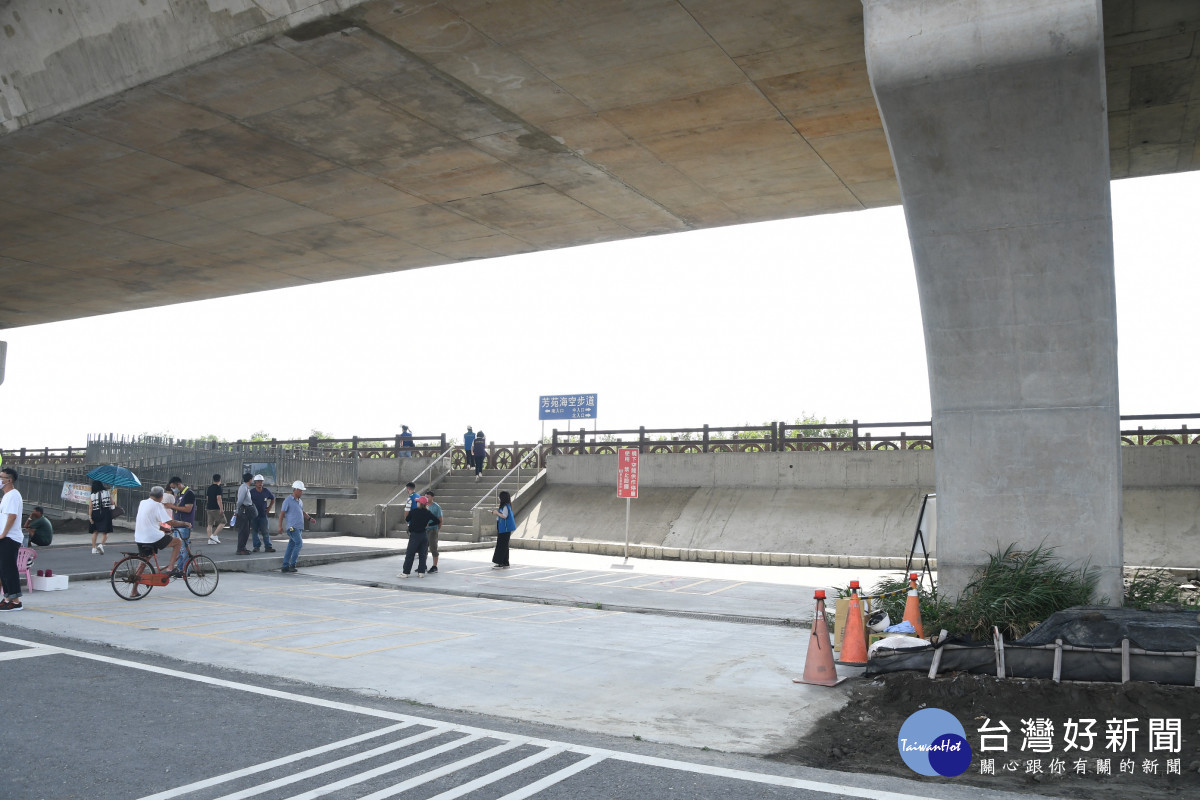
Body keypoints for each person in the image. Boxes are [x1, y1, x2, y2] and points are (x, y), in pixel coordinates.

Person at [134, 486, 190, 576]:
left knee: (144, 561)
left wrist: (164, 529)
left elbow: (149, 522)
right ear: (161, 497)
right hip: (152, 538)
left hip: (139, 537)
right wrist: (184, 523)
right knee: (178, 542)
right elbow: (171, 522)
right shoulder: (158, 505)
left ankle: (134, 588)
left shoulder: (142, 503)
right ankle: (170, 568)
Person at [0, 467, 25, 611]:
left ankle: (16, 602)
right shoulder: (7, 496)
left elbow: (12, 516)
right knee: (3, 569)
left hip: (10, 537)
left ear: (9, 480)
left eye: (1, 477)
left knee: (9, 569)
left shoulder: (13, 495)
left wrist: (3, 534)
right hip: (4, 537)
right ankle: (7, 598)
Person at [278, 480, 315, 573]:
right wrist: (279, 526)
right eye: (300, 490)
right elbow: (282, 514)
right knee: (299, 543)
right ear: (295, 490)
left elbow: (302, 512)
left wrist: (309, 518)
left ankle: (285, 566)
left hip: (299, 528)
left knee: (291, 545)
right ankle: (292, 565)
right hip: (292, 527)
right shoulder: (288, 500)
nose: (302, 492)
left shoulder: (300, 501)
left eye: (302, 491)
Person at [398, 495, 438, 578]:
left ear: (420, 503)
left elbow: (407, 519)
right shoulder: (428, 512)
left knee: (410, 554)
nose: (417, 503)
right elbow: (437, 521)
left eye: (417, 502)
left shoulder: (414, 511)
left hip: (415, 535)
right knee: (422, 554)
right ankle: (421, 572)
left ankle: (405, 572)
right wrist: (428, 524)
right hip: (424, 535)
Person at [164, 477, 196, 573]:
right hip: (177, 524)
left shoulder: (189, 493)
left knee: (184, 549)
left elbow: (188, 509)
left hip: (184, 525)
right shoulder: (179, 494)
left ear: (178, 484)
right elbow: (178, 508)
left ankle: (186, 571)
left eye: (173, 487)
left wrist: (172, 506)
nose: (173, 489)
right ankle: (180, 569)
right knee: (178, 548)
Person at [489, 490, 516, 569]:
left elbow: (504, 516)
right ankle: (505, 562)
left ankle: (500, 562)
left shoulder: (505, 507)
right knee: (504, 545)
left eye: (500, 497)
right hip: (503, 528)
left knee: (501, 545)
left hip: (505, 529)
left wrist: (496, 513)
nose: (499, 498)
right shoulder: (506, 506)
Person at [249, 474, 275, 552]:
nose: (260, 483)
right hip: (254, 515)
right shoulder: (251, 492)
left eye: (261, 481)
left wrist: (269, 508)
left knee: (265, 531)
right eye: (258, 481)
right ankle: (256, 546)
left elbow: (273, 498)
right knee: (254, 531)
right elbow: (247, 501)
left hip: (263, 515)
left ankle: (268, 546)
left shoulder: (266, 491)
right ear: (255, 483)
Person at [235, 472, 258, 555]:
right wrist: (236, 511)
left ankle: (243, 547)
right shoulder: (243, 488)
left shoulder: (246, 487)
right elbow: (240, 501)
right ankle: (240, 548)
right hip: (243, 511)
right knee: (243, 530)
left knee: (246, 530)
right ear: (250, 479)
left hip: (246, 511)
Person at [88, 479, 114, 554]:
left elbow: (90, 507)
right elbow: (112, 503)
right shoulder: (107, 493)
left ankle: (93, 548)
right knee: (105, 532)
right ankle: (101, 545)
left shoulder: (92, 495)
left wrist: (90, 517)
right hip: (106, 513)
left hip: (95, 513)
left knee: (95, 531)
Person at [423, 490, 442, 574]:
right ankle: (423, 565)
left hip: (433, 529)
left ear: (432, 497)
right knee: (423, 548)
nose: (426, 498)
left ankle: (435, 566)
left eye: (428, 497)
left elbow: (440, 520)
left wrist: (437, 530)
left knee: (433, 548)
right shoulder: (424, 506)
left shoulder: (436, 507)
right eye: (425, 496)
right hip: (424, 530)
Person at [205, 474, 225, 545]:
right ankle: (214, 536)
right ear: (220, 479)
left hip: (209, 507)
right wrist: (221, 509)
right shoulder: (218, 488)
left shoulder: (209, 488)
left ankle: (210, 540)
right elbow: (219, 499)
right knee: (223, 522)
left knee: (210, 524)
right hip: (216, 508)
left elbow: (207, 498)